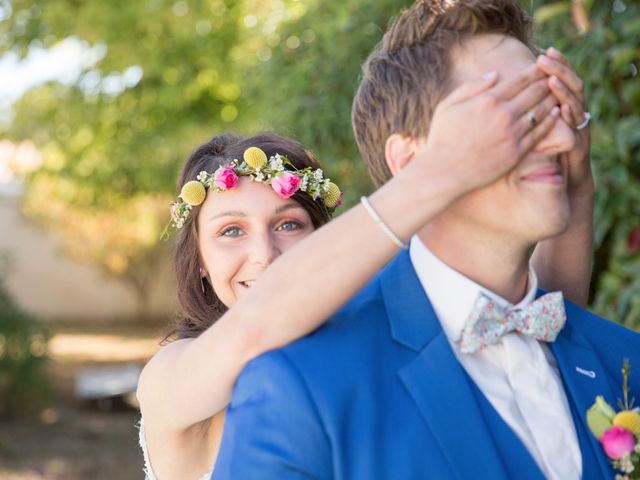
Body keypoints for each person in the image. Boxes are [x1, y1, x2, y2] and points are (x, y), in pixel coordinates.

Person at [211, 1, 640, 480]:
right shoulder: (305, 390)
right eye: (511, 115)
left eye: (554, 111)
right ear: (413, 160)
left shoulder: (627, 362)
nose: (562, 142)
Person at [139, 97, 591, 480]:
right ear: (199, 260)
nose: (264, 253)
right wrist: (440, 172)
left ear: (322, 238)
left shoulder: (377, 341)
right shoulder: (171, 375)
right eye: (231, 231)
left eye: (289, 224)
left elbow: (536, 325)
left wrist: (575, 184)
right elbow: (253, 329)